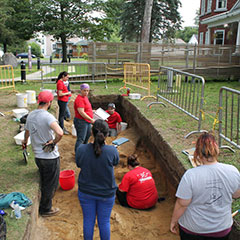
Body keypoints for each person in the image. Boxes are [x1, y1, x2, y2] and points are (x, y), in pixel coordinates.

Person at [170, 132, 240, 239]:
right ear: (216, 150)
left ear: (197, 153)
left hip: (193, 229)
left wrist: (174, 221)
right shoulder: (232, 171)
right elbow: (236, 195)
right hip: (221, 229)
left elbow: (182, 204)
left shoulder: (190, 175)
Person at [76, 119, 119, 240]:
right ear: (107, 134)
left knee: (88, 221)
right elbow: (115, 162)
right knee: (104, 222)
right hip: (106, 193)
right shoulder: (112, 151)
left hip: (86, 192)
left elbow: (79, 164)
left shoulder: (81, 149)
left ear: (91, 132)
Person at [22, 91, 64, 217]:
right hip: (50, 157)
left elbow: (27, 132)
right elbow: (60, 132)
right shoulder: (47, 117)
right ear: (49, 102)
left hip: (38, 156)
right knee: (50, 184)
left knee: (45, 179)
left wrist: (24, 142)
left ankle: (44, 203)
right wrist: (53, 142)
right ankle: (46, 209)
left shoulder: (31, 115)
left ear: (38, 101)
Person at [74, 83, 94, 152]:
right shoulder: (79, 99)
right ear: (81, 90)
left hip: (87, 121)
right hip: (81, 121)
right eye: (84, 90)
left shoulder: (85, 98)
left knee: (87, 137)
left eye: (87, 91)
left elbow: (87, 108)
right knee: (81, 138)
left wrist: (92, 111)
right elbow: (81, 112)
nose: (86, 92)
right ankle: (78, 154)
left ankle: (83, 152)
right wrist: (91, 120)